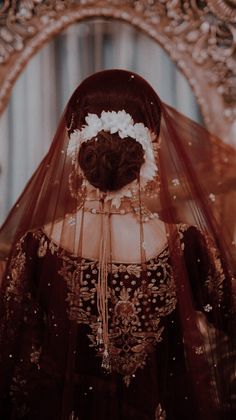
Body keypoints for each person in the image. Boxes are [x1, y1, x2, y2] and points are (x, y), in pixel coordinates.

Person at [0, 70, 235, 420]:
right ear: (151, 144)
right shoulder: (185, 244)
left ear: (73, 147)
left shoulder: (35, 248)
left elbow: (9, 354)